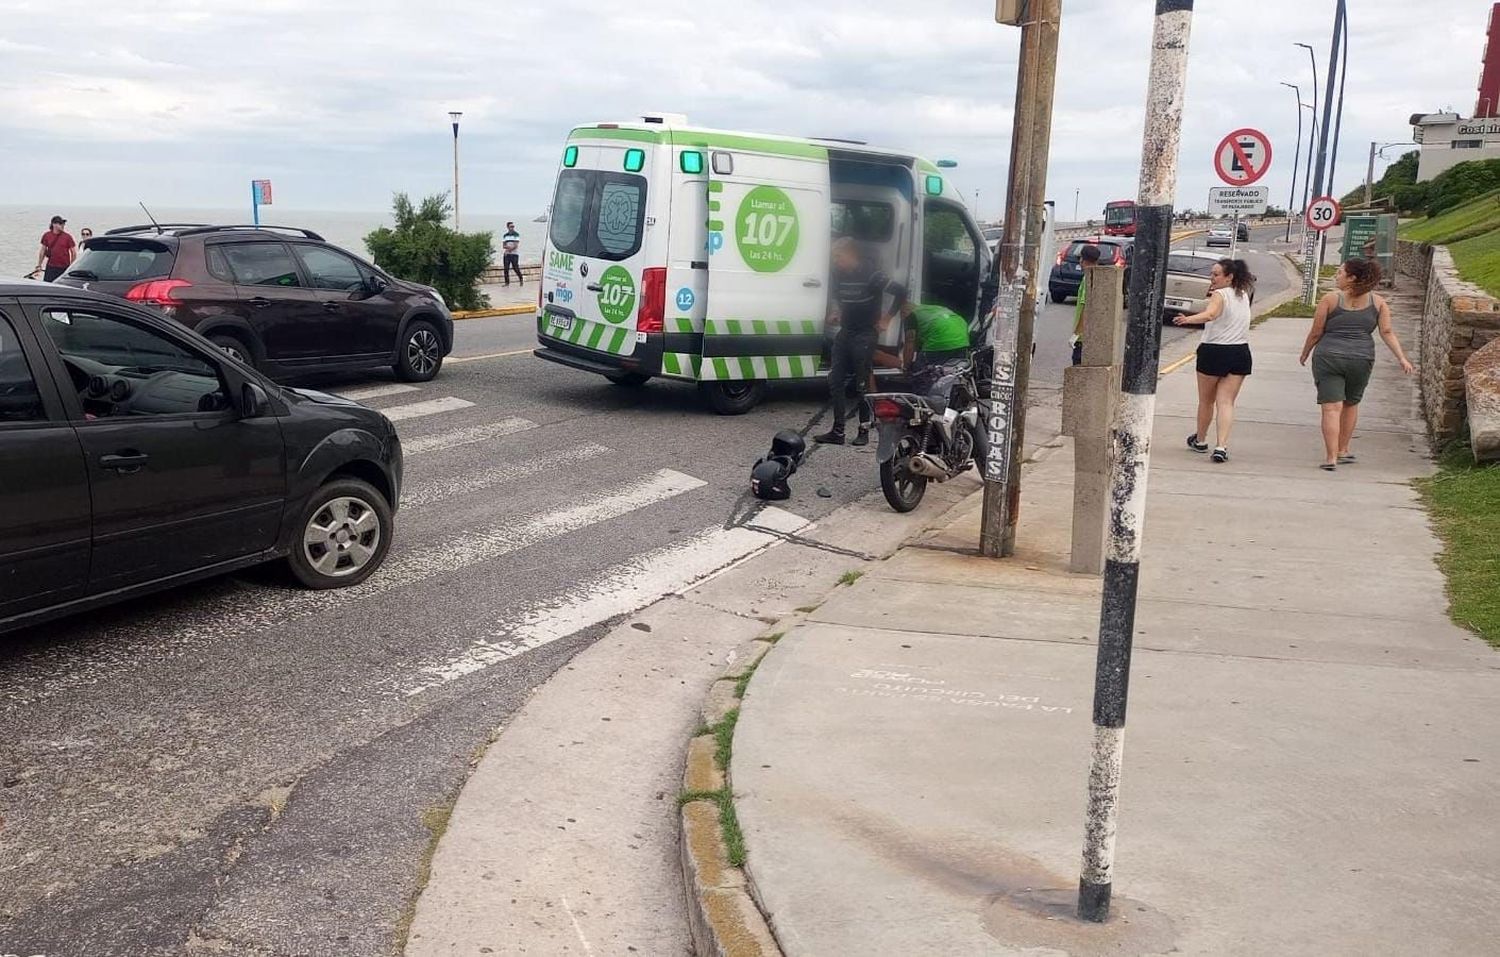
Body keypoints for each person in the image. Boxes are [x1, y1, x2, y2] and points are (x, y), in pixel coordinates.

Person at [1298, 258, 1413, 471]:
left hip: (1328, 357)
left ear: (1352, 278)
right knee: (1350, 404)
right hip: (1361, 358)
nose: (1336, 275)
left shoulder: (1330, 300)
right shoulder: (1378, 303)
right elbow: (1386, 332)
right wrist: (1402, 358)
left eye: (1340, 272)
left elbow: (1316, 332)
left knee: (1331, 408)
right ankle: (1343, 450)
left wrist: (1305, 352)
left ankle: (1331, 457)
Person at [816, 238, 899, 446]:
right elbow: (837, 295)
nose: (835, 261)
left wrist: (888, 317)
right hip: (846, 331)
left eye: (838, 256)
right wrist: (836, 310)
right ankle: (837, 431)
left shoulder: (872, 274)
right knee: (835, 379)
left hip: (865, 333)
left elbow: (901, 291)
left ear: (851, 254)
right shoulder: (839, 273)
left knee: (862, 383)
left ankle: (864, 431)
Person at [1172, 258, 1255, 463]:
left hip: (1214, 350)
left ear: (1229, 277)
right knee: (1226, 402)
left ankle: (1200, 440)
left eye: (1216, 274)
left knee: (1206, 401)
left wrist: (1187, 319)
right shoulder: (1243, 294)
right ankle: (1221, 446)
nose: (1212, 278)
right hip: (1240, 352)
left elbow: (1211, 314)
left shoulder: (1219, 294)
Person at [897, 300, 971, 372]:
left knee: (919, 372)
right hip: (962, 341)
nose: (901, 319)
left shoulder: (911, 316)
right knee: (954, 371)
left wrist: (906, 367)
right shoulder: (932, 309)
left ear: (903, 312)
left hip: (940, 341)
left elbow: (909, 345)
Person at [1071, 243, 1101, 365]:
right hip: (1093, 335)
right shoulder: (1099, 276)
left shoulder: (1087, 279)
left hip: (1083, 337)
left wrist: (1076, 334)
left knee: (1077, 366)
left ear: (1083, 260)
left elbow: (1085, 308)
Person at [33, 215, 76, 281]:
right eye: (61, 224)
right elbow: (43, 250)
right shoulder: (47, 235)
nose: (63, 225)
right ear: (54, 224)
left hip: (64, 266)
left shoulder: (68, 237)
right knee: (48, 285)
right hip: (51, 266)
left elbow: (73, 252)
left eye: (63, 224)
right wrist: (39, 264)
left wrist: (71, 266)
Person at [502, 222, 523, 286]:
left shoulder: (516, 234)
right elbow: (503, 246)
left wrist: (508, 249)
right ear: (508, 227)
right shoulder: (505, 235)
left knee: (515, 268)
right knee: (506, 269)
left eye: (513, 226)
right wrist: (508, 249)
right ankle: (507, 282)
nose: (512, 228)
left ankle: (521, 279)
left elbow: (516, 245)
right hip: (507, 255)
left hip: (514, 254)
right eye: (511, 226)